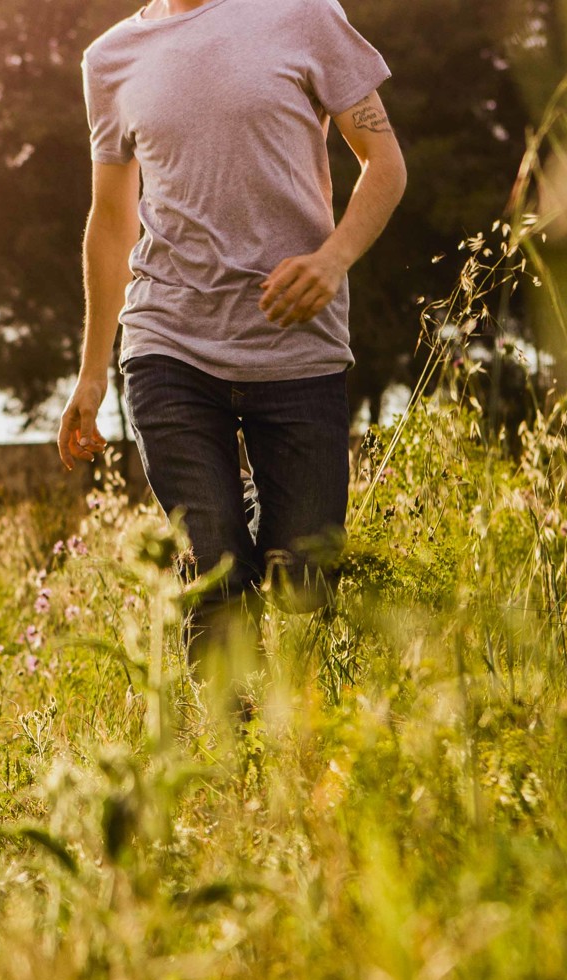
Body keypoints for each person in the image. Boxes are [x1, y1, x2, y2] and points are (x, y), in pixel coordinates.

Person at [59, 0, 407, 651]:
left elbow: (384, 162)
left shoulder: (304, 15)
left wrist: (332, 260)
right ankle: (226, 748)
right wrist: (91, 372)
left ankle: (246, 513)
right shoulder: (110, 60)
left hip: (298, 348)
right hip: (168, 346)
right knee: (216, 574)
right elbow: (111, 221)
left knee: (303, 581)